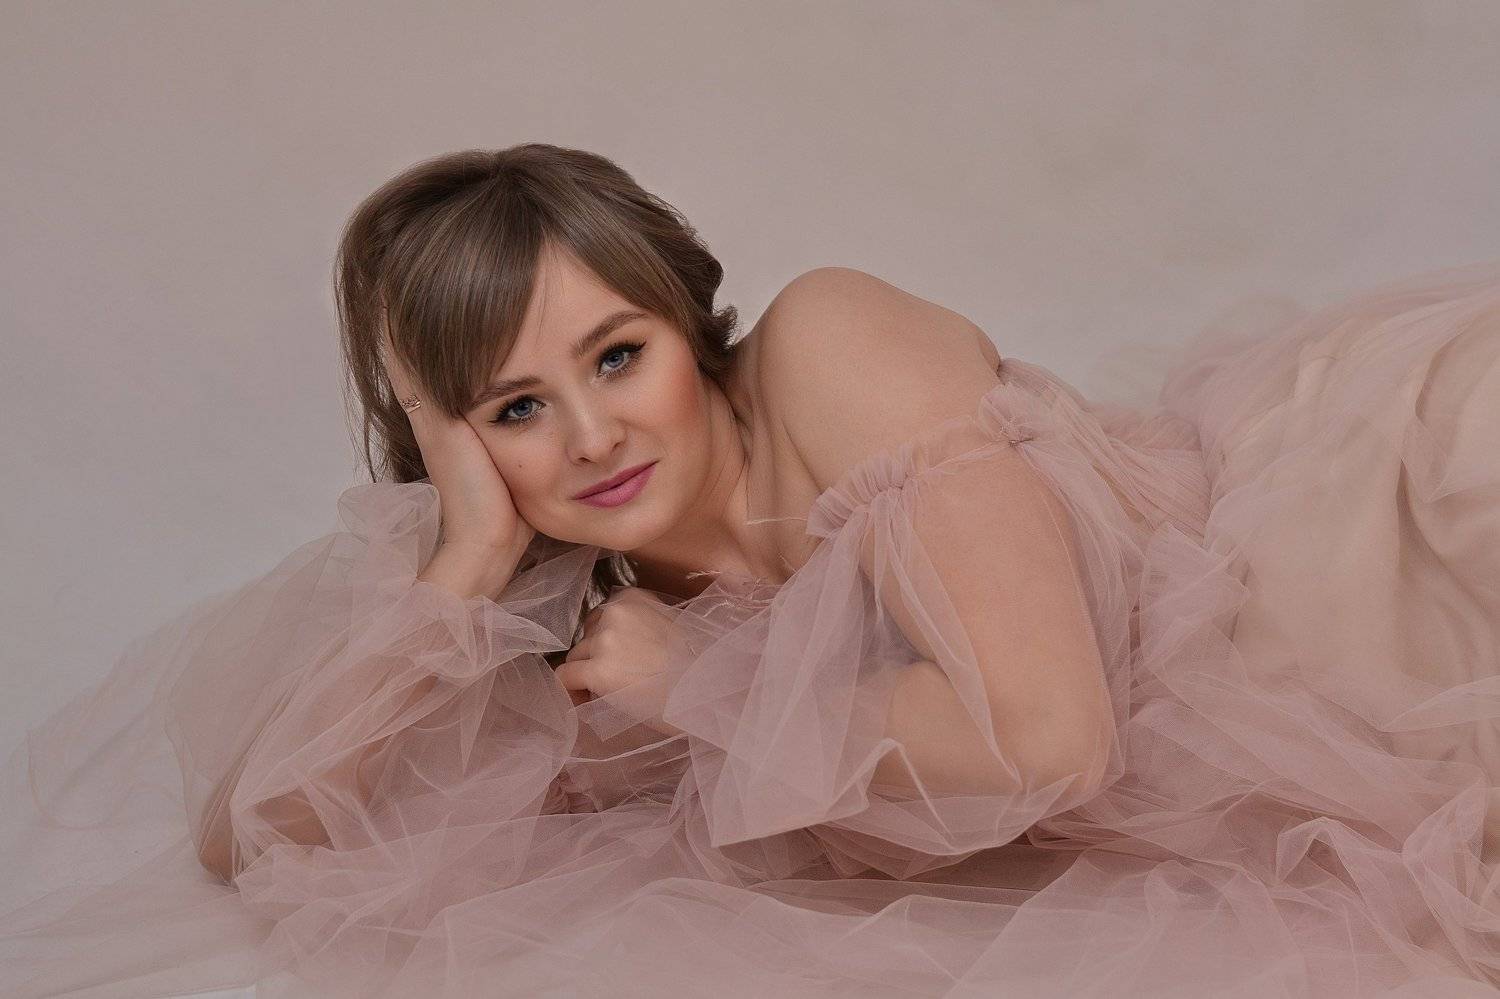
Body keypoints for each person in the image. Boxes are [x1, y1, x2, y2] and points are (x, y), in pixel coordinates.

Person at [2, 143, 1499, 998]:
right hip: (1332, 730)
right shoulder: (585, 628)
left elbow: (1052, 737)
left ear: (685, 320)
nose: (593, 436)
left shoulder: (827, 354)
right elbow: (248, 839)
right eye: (515, 409)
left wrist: (707, 686)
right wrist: (464, 556)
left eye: (617, 356)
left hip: (1346, 545)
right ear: (457, 444)